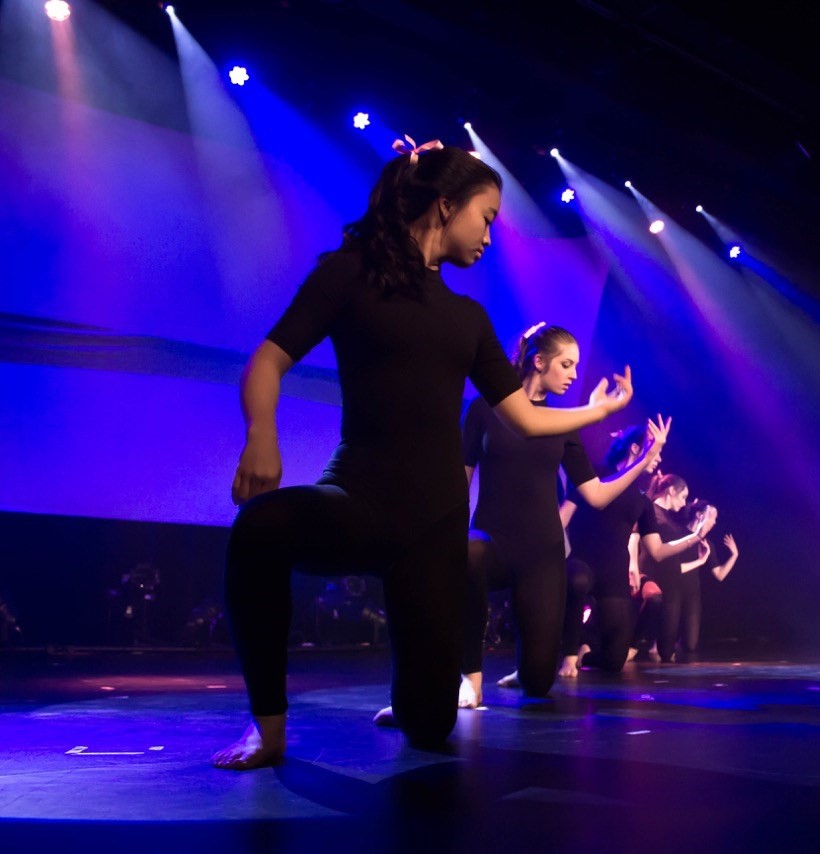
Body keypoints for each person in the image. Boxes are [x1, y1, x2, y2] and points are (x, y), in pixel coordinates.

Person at [212, 138, 635, 770]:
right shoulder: (350, 274)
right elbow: (269, 360)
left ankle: (416, 700)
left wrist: (601, 411)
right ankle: (268, 730)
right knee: (258, 530)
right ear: (445, 206)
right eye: (486, 217)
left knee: (431, 726)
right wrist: (261, 435)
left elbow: (521, 415)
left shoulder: (467, 318)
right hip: (356, 499)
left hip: (433, 530)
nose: (491, 235)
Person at [451, 324, 667, 708]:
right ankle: (471, 677)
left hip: (542, 555)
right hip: (492, 539)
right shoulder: (484, 410)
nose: (572, 375)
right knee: (467, 556)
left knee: (537, 684)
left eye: (575, 366)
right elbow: (459, 481)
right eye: (566, 365)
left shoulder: (564, 425)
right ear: (539, 361)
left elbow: (596, 494)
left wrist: (646, 460)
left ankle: (528, 670)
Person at [558, 429, 705, 675]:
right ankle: (569, 655)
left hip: (613, 575)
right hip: (582, 561)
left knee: (616, 660)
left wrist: (696, 537)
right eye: (653, 452)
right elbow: (565, 515)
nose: (657, 459)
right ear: (635, 449)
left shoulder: (642, 501)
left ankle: (585, 655)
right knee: (578, 580)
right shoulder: (594, 476)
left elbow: (656, 550)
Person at [637, 473, 719, 663]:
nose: (684, 503)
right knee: (663, 649)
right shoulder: (651, 511)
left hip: (672, 581)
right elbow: (647, 546)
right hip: (660, 580)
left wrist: (697, 541)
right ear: (671, 491)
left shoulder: (669, 518)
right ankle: (633, 646)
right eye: (682, 497)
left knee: (667, 651)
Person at [668, 500, 740, 658]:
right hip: (672, 590)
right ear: (699, 515)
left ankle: (674, 642)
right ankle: (661, 641)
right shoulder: (677, 534)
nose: (714, 522)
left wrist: (734, 555)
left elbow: (719, 575)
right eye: (712, 516)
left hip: (692, 594)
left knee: (691, 645)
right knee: (665, 644)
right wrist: (699, 561)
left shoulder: (708, 544)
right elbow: (672, 568)